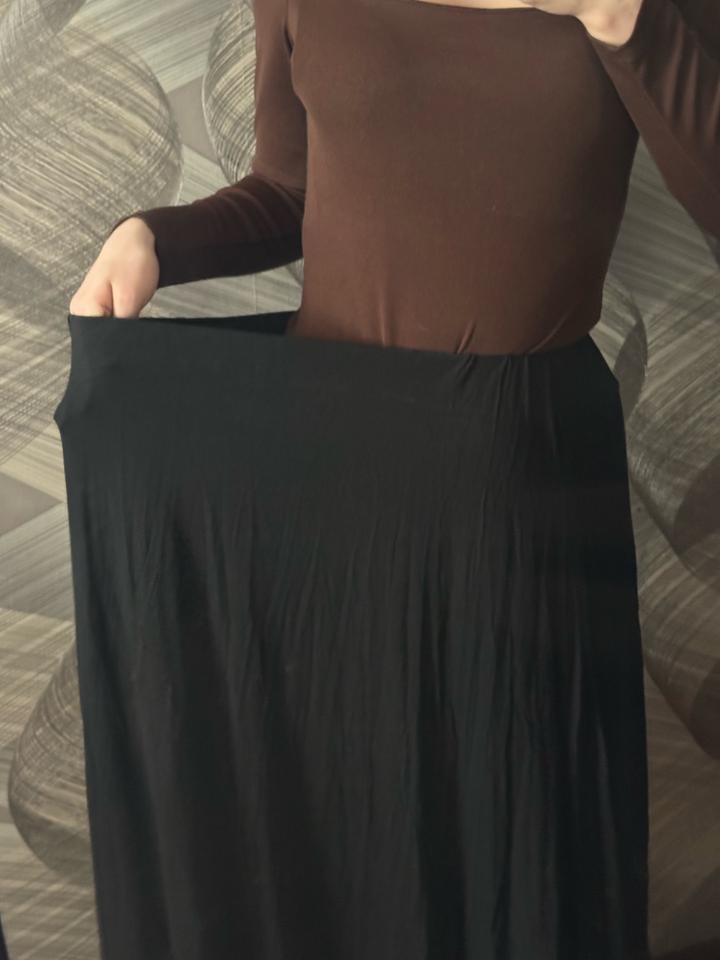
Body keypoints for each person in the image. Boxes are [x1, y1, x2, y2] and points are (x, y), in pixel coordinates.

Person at [60, 1, 719, 958]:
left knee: (517, 827)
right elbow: (287, 189)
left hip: (516, 481)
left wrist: (625, 21)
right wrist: (151, 237)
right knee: (339, 821)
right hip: (326, 472)